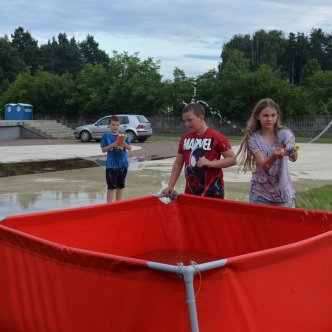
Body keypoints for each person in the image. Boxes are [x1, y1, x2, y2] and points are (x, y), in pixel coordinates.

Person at [162, 102, 237, 199]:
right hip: (191, 192)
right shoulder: (184, 138)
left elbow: (232, 159)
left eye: (190, 120)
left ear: (201, 118)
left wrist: (210, 163)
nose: (187, 124)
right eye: (185, 121)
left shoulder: (217, 137)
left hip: (214, 192)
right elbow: (178, 163)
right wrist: (171, 185)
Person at [236, 98, 298, 207]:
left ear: (277, 116)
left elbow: (293, 157)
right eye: (265, 115)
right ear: (257, 116)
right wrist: (274, 156)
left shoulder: (285, 133)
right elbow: (264, 166)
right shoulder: (253, 138)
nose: (270, 119)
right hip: (260, 195)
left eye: (273, 115)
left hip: (284, 195)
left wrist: (291, 151)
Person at [100, 115, 131, 202]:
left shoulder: (124, 134)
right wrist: (113, 145)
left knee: (120, 186)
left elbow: (129, 148)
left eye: (117, 125)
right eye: (113, 125)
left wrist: (124, 144)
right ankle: (109, 206)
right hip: (111, 165)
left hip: (123, 165)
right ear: (109, 125)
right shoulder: (106, 136)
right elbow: (103, 150)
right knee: (111, 187)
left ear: (119, 125)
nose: (115, 127)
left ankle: (118, 205)